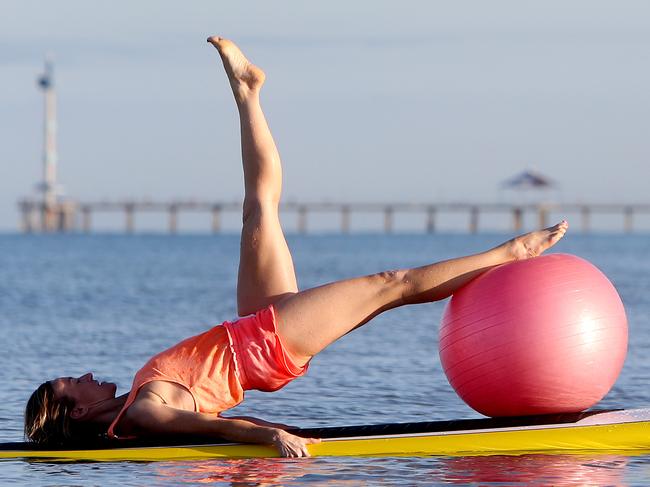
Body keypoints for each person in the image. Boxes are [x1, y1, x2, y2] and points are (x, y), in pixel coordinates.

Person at [24, 37, 569, 458]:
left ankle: (246, 92)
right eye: (75, 381)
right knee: (390, 286)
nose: (87, 374)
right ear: (72, 410)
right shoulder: (142, 413)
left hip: (251, 327)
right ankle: (511, 253)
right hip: (269, 343)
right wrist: (274, 440)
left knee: (259, 205)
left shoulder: (132, 405)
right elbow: (212, 428)